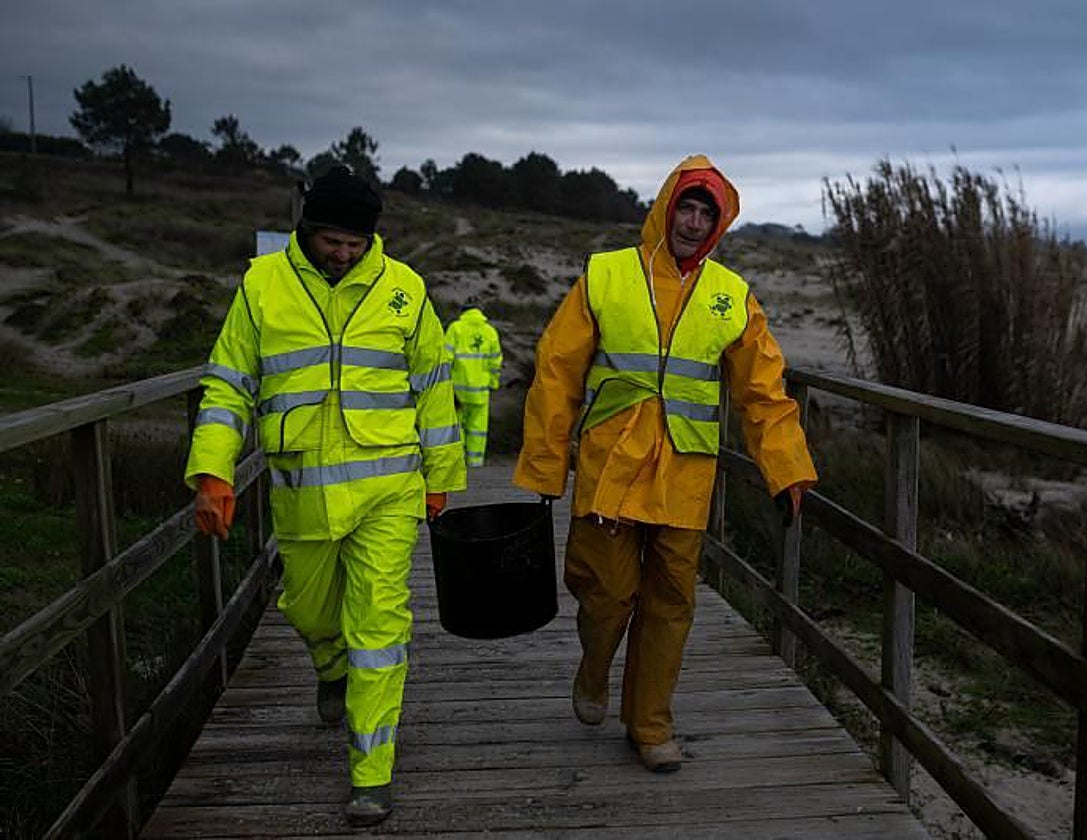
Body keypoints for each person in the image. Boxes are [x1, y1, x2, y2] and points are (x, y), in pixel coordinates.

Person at [513, 154, 818, 773]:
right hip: (611, 468)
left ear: (719, 224)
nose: (694, 220)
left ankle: (650, 726)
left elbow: (764, 390)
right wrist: (547, 467)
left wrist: (786, 468)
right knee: (605, 595)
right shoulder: (605, 275)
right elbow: (556, 373)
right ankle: (594, 672)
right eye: (687, 206)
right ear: (665, 207)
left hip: (684, 476)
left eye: (708, 212)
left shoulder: (732, 298)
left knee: (670, 603)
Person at [184, 166, 465, 827]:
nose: (343, 254)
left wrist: (442, 478)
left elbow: (434, 386)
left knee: (380, 629)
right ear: (306, 230)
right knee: (309, 611)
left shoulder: (404, 290)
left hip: (388, 490)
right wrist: (212, 470)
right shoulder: (263, 287)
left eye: (356, 243)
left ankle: (372, 774)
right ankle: (329, 665)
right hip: (301, 489)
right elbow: (227, 385)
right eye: (332, 241)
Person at [444, 303, 503, 466]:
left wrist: (444, 384)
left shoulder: (455, 328)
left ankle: (458, 461)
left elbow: (446, 358)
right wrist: (493, 382)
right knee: (478, 428)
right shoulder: (490, 331)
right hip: (481, 390)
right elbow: (495, 361)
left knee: (457, 425)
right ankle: (476, 462)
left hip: (457, 390)